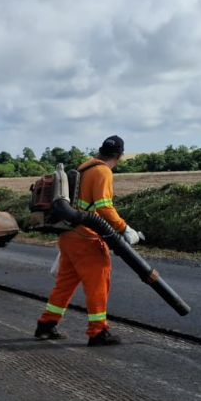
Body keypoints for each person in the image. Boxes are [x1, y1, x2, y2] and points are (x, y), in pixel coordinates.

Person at [33, 135, 143, 347]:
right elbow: (104, 207)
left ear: (100, 150)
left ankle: (46, 325)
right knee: (98, 282)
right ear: (119, 156)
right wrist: (124, 228)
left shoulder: (84, 167)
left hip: (68, 235)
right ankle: (98, 331)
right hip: (86, 237)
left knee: (65, 283)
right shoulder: (102, 171)